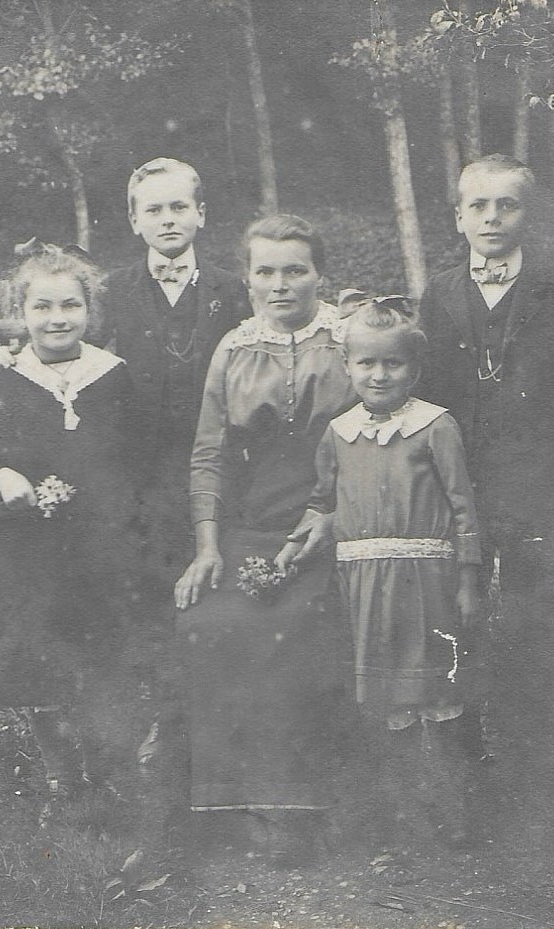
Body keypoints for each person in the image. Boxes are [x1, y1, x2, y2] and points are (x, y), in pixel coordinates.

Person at [174, 214, 358, 863]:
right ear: (248, 278)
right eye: (265, 271)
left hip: (337, 520)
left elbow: (378, 439)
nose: (279, 284)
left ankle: (297, 812)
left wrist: (331, 515)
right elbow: (209, 456)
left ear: (319, 274)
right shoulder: (233, 348)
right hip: (251, 525)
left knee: (300, 629)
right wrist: (207, 547)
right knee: (207, 623)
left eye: (295, 270)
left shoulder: (348, 339)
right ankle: (226, 806)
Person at [417, 155, 554, 758]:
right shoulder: (440, 293)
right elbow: (423, 394)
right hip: (460, 484)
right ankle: (462, 743)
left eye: (507, 204)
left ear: (528, 214)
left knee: (531, 613)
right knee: (458, 610)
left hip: (534, 486)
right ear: (458, 217)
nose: (492, 217)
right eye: (478, 205)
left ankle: (530, 746)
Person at [277, 298, 485, 845]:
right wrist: (304, 534)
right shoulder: (339, 432)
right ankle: (403, 814)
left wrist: (468, 580)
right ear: (346, 366)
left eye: (393, 363)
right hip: (364, 583)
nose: (379, 374)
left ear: (413, 369)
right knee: (389, 696)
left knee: (436, 688)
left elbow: (464, 506)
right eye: (366, 362)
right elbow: (323, 500)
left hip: (428, 581)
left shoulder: (435, 425)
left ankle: (454, 809)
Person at [0, 244, 149, 840]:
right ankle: (62, 779)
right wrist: (1, 474)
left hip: (98, 551)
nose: (57, 318)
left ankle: (105, 774)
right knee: (38, 660)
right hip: (28, 555)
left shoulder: (113, 377)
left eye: (70, 305)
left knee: (100, 659)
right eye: (42, 306)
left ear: (89, 309)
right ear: (22, 312)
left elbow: (136, 459)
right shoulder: (2, 380)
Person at [97, 156, 251, 598]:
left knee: (216, 572)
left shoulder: (232, 289)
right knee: (147, 573)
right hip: (141, 461)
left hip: (215, 456)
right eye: (153, 210)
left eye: (179, 207)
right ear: (134, 221)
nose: (167, 220)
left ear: (200, 214)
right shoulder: (113, 290)